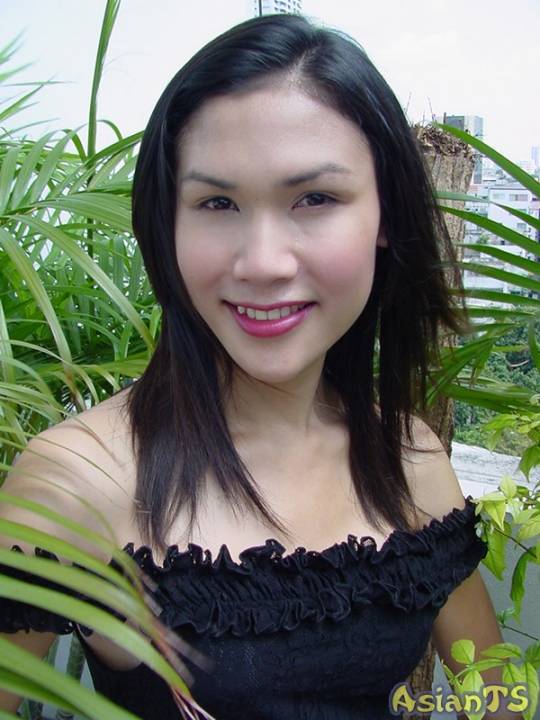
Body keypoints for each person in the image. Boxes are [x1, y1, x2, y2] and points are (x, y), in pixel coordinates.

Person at [0, 12, 513, 720]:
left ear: (386, 217)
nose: (264, 263)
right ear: (167, 225)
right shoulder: (79, 480)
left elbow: (497, 691)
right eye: (217, 202)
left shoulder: (410, 460)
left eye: (315, 199)